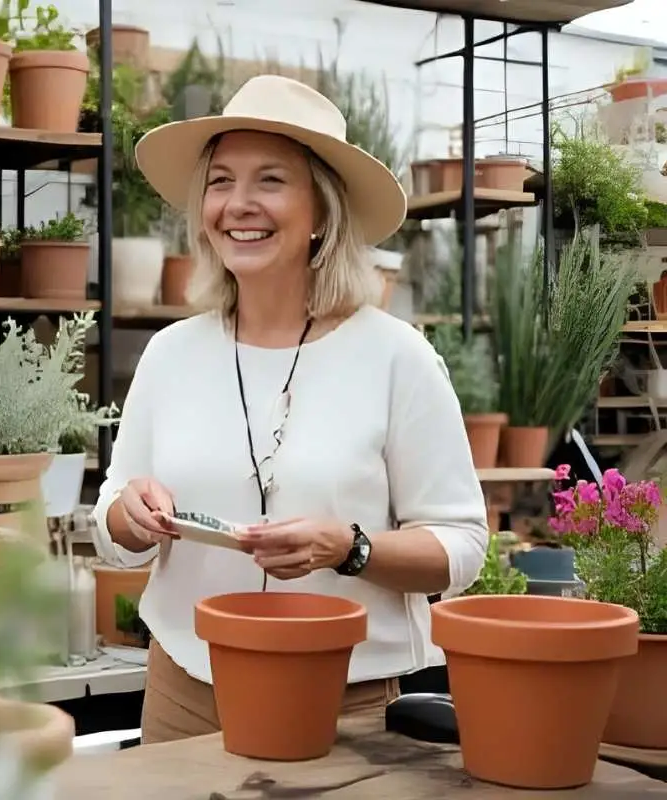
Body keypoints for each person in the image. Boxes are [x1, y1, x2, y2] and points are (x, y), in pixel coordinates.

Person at [90, 74, 489, 744]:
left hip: (343, 703)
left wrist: (351, 548)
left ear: (323, 212)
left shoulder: (396, 356)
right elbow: (111, 522)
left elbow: (462, 547)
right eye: (220, 181)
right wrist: (128, 516)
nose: (238, 204)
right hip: (183, 693)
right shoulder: (171, 354)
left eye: (270, 180)